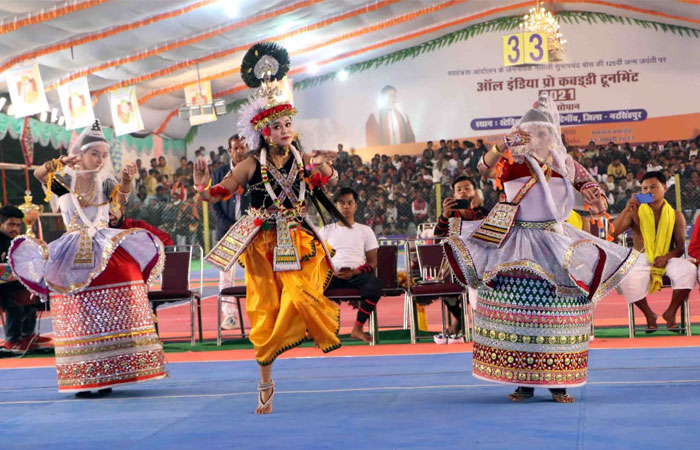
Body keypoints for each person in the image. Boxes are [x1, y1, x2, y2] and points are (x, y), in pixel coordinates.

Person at [443, 94, 639, 403]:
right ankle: (523, 382)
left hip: (554, 241)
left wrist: (598, 199)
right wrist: (502, 144)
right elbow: (482, 168)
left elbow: (591, 187)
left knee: (555, 312)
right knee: (519, 313)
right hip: (516, 245)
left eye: (545, 132)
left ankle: (558, 381)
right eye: (533, 132)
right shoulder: (512, 161)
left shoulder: (566, 163)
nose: (539, 137)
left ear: (553, 134)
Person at [194, 42, 346, 415]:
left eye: (288, 123)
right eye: (276, 125)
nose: (284, 129)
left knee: (300, 293)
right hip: (261, 245)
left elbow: (327, 178)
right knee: (264, 311)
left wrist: (326, 168)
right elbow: (218, 194)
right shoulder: (249, 164)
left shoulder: (301, 158)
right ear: (263, 130)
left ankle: (303, 327)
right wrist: (202, 187)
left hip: (299, 239)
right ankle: (265, 383)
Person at [9, 120, 166, 397]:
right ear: (80, 154)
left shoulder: (105, 182)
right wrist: (59, 161)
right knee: (79, 312)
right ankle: (82, 375)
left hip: (105, 246)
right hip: (73, 248)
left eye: (104, 155)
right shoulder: (65, 181)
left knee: (116, 297)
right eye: (95, 154)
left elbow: (120, 203)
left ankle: (110, 372)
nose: (100, 159)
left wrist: (127, 181)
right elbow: (38, 175)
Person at [612, 171, 696, 332]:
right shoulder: (635, 212)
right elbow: (613, 233)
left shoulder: (676, 215)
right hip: (641, 258)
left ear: (664, 188)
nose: (648, 191)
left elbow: (679, 248)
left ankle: (671, 312)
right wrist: (626, 210)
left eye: (653, 187)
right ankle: (649, 314)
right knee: (624, 275)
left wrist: (666, 257)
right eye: (644, 189)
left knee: (689, 270)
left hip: (667, 257)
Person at [319, 188, 382, 343]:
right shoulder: (325, 231)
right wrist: (332, 273)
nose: (346, 207)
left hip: (357, 275)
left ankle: (357, 328)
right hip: (331, 275)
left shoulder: (365, 230)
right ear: (335, 206)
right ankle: (319, 330)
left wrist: (355, 272)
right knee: (308, 287)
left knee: (375, 285)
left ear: (356, 206)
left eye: (349, 203)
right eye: (341, 203)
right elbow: (318, 260)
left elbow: (373, 262)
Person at [433, 176, 488, 335]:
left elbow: (488, 235)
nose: (463, 192)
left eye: (467, 188)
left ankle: (467, 324)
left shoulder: (483, 212)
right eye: (459, 190)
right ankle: (461, 320)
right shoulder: (450, 215)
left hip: (482, 262)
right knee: (443, 287)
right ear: (454, 195)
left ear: (475, 192)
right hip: (455, 262)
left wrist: (476, 208)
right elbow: (437, 237)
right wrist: (444, 215)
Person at [0, 206, 52, 353]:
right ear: (1, 224)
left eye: (17, 225)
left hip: (14, 283)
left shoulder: (19, 241)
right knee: (13, 299)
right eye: (11, 224)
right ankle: (12, 340)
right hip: (3, 287)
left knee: (32, 291)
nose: (15, 228)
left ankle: (27, 335)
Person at [212, 134, 250, 330]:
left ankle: (257, 313)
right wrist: (227, 225)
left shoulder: (253, 171)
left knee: (255, 274)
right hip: (226, 231)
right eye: (235, 148)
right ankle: (230, 317)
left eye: (242, 147)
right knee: (226, 276)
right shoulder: (219, 174)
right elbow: (215, 204)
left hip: (250, 230)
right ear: (229, 150)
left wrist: (248, 224)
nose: (239, 151)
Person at [108, 206, 173, 246]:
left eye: (112, 213)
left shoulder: (139, 226)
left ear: (122, 210)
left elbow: (167, 240)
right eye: (106, 214)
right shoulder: (103, 231)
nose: (110, 218)